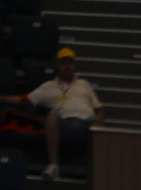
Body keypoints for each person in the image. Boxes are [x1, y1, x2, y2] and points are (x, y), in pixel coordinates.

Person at [27, 48, 103, 180]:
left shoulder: (84, 84)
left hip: (87, 124)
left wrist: (98, 121)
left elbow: (99, 109)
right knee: (51, 117)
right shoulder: (48, 86)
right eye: (63, 63)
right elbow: (26, 100)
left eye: (70, 63)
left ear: (74, 65)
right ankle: (54, 166)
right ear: (57, 65)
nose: (67, 66)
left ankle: (97, 168)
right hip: (64, 125)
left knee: (96, 124)